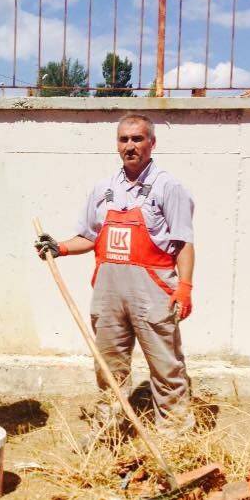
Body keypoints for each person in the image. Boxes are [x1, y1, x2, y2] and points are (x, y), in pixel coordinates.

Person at [35, 112, 194, 439]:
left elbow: (183, 242)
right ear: (117, 144)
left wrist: (185, 286)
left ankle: (175, 436)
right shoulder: (103, 188)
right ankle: (108, 432)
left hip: (153, 292)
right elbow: (89, 237)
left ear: (152, 143)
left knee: (166, 367)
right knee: (108, 367)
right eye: (124, 139)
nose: (130, 146)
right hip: (108, 294)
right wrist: (59, 247)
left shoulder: (168, 187)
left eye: (138, 139)